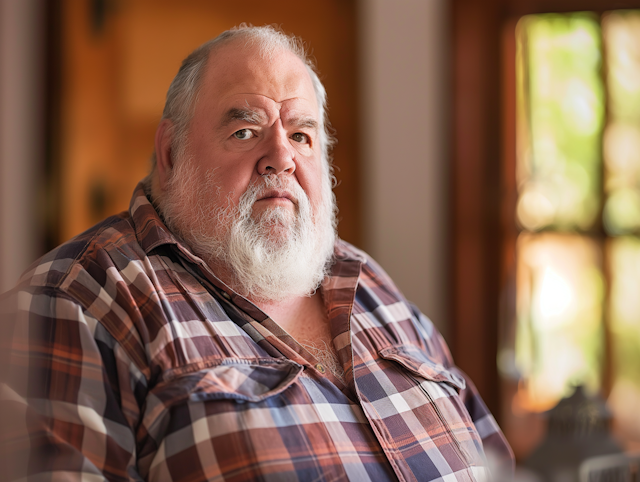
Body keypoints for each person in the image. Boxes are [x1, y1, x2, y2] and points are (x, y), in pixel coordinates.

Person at [0, 25, 514, 481]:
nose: (282, 157)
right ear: (171, 153)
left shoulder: (371, 285)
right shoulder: (75, 301)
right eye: (245, 132)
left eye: (301, 135)